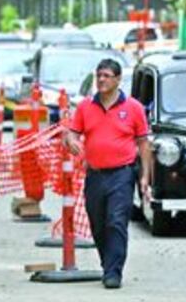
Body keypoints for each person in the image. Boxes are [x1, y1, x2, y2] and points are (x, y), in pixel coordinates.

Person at [65, 57, 153, 289]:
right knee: (98, 222)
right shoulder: (85, 107)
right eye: (99, 76)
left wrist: (145, 177)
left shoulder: (133, 108)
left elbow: (144, 144)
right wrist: (71, 141)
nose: (101, 80)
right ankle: (108, 263)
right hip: (94, 174)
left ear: (117, 80)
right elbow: (72, 134)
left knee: (116, 221)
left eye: (106, 76)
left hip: (122, 174)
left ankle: (114, 271)